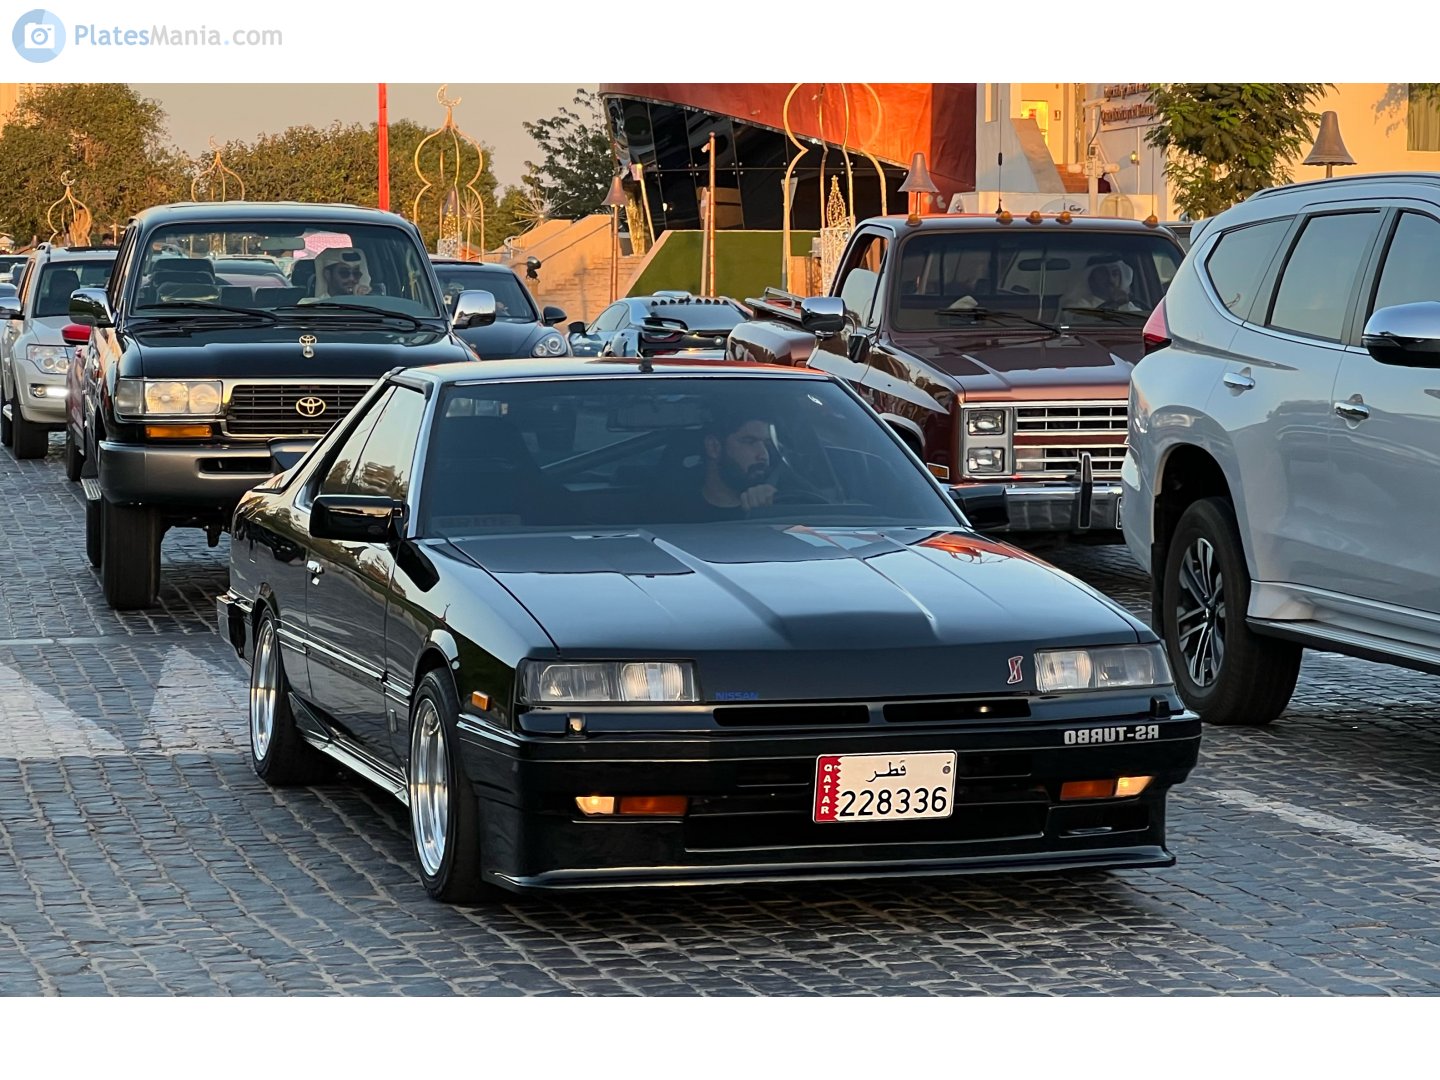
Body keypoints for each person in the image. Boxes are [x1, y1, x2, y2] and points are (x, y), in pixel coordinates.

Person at [678, 412, 778, 521]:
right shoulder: (672, 513)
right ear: (714, 447)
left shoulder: (786, 503)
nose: (764, 455)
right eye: (749, 442)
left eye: (767, 444)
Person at [1064, 259, 1142, 314]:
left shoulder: (1128, 305)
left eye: (1115, 273)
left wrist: (1123, 304)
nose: (1111, 279)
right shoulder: (1078, 306)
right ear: (1091, 279)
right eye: (1103, 273)